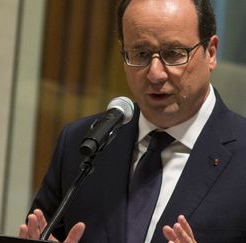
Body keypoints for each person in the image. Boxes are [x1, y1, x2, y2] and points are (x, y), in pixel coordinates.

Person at [19, 0, 246, 242]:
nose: (155, 73)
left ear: (210, 52)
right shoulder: (83, 144)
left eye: (173, 53)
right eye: (140, 54)